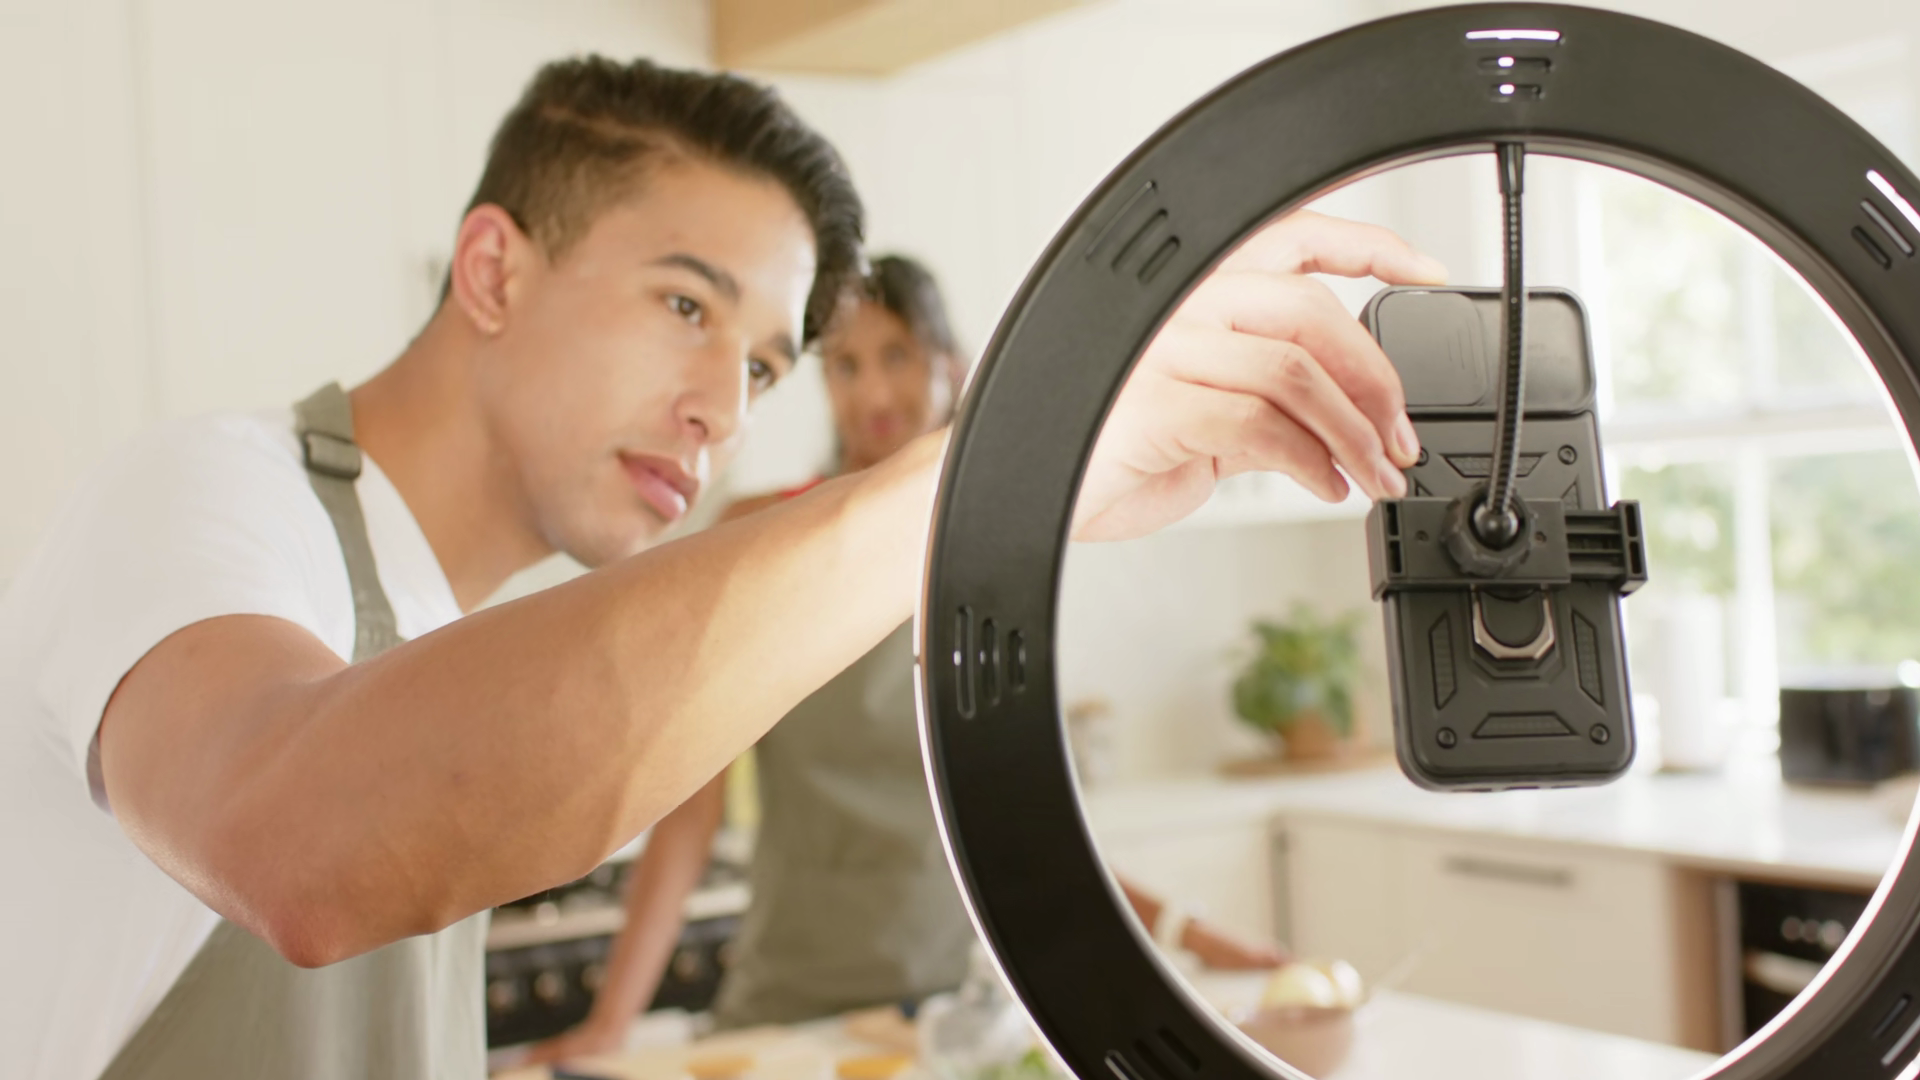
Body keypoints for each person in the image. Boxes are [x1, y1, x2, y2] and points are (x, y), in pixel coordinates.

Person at [0, 51, 1441, 1080]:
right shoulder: (205, 497)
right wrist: (993, 464)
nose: (723, 408)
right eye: (685, 305)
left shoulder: (433, 604)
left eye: (761, 364)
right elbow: (304, 849)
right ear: (492, 270)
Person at [526, 257, 1288, 1063]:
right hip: (791, 1007)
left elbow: (1029, 827)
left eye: (896, 356)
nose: (873, 392)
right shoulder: (765, 535)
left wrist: (1193, 936)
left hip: (954, 1018)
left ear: (948, 364)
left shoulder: (990, 561)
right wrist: (612, 1022)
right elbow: (690, 810)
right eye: (846, 365)